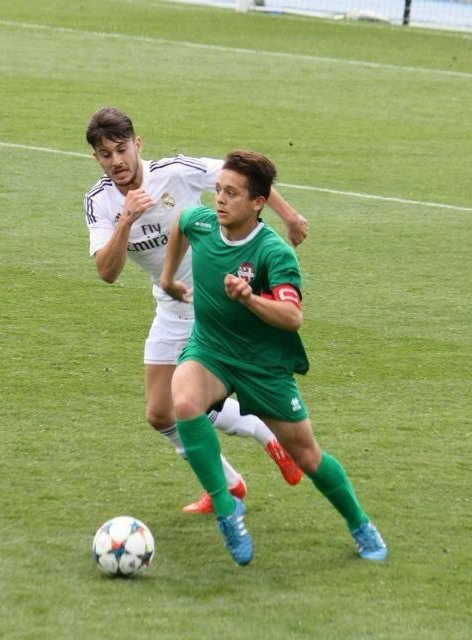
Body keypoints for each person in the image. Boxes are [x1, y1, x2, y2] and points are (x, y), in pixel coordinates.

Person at [160, 150, 387, 565]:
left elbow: (292, 316)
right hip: (211, 349)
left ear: (258, 202)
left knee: (308, 456)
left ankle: (359, 522)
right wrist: (168, 278)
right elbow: (180, 223)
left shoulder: (273, 253)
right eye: (218, 191)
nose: (220, 201)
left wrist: (250, 299)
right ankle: (227, 509)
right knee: (184, 403)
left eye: (231, 193)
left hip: (263, 365)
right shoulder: (203, 223)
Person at [83, 107, 309, 513]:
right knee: (159, 413)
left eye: (121, 149)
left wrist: (289, 216)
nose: (116, 161)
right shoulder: (99, 202)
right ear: (96, 159)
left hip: (217, 302)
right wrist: (125, 221)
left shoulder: (175, 171)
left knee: (193, 402)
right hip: (170, 306)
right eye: (105, 154)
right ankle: (237, 473)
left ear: (137, 145)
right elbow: (106, 272)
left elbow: (245, 177)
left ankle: (244, 468)